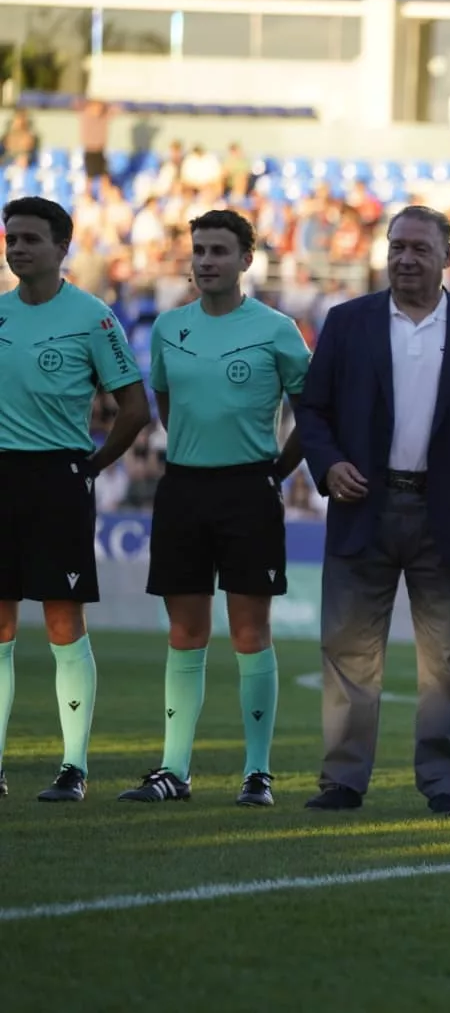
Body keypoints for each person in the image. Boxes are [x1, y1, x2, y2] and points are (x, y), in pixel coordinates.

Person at [294, 205, 450, 817]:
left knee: (446, 660)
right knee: (349, 652)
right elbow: (313, 411)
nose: (406, 258)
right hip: (362, 504)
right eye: (397, 247)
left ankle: (444, 785)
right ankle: (343, 780)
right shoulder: (348, 322)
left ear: (448, 256)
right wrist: (329, 465)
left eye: (419, 248)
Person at [116, 210, 309, 808]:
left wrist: (274, 472)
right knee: (185, 632)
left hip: (250, 490)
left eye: (219, 251)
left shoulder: (278, 329)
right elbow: (168, 406)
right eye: (199, 250)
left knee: (251, 632)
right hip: (183, 488)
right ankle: (174, 770)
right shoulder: (170, 326)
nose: (205, 261)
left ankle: (258, 774)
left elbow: (311, 415)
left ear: (246, 260)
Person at [0, 196, 150, 802]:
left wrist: (90, 467)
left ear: (62, 248)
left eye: (30, 239)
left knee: (64, 621)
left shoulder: (93, 317)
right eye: (11, 238)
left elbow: (134, 408)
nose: (17, 248)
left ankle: (73, 768)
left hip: (58, 477)